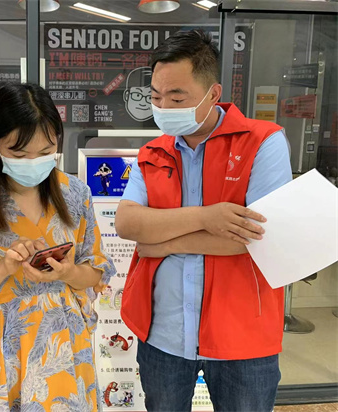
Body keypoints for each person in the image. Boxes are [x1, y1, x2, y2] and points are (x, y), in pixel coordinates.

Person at [115, 30, 292, 412]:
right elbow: (128, 223)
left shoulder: (262, 142)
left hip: (243, 336)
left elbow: (260, 237)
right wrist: (208, 217)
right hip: (163, 333)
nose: (164, 106)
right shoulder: (152, 153)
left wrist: (165, 241)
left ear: (213, 94)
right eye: (156, 96)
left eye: (177, 98)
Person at [0, 82, 116, 411]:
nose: (33, 162)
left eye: (45, 152)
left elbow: (96, 273)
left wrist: (67, 272)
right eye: (19, 154)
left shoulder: (75, 194)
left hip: (62, 348)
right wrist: (3, 267)